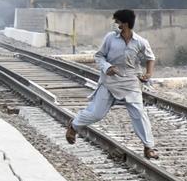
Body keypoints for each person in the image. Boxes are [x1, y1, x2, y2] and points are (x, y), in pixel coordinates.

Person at [65, 9, 159, 160]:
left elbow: (150, 58)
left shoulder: (141, 42)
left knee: (139, 114)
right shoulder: (110, 38)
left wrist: (148, 74)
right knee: (96, 113)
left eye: (117, 22)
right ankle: (74, 125)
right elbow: (99, 56)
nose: (115, 24)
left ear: (125, 24)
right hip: (109, 83)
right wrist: (107, 67)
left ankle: (149, 147)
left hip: (130, 83)